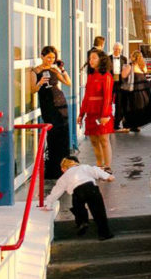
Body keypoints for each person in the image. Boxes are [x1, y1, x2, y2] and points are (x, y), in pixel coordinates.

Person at [44, 155, 115, 240]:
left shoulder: (64, 177)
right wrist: (109, 177)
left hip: (77, 191)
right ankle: (104, 234)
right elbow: (105, 175)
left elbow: (56, 192)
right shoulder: (85, 167)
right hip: (91, 188)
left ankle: (82, 222)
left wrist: (48, 204)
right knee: (98, 211)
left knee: (77, 207)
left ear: (63, 168)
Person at [33, 46, 72, 179]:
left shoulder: (54, 69)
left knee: (63, 134)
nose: (51, 60)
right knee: (52, 135)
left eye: (53, 58)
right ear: (42, 56)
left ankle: (65, 168)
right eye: (48, 57)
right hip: (47, 105)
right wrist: (39, 83)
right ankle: (52, 170)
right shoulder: (36, 70)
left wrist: (61, 69)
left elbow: (68, 82)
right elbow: (32, 90)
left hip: (60, 101)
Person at [77, 49, 113, 171]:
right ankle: (99, 165)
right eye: (90, 58)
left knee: (104, 140)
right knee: (93, 140)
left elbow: (108, 97)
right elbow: (86, 96)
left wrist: (105, 115)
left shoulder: (106, 76)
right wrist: (81, 114)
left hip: (102, 112)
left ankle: (107, 166)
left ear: (101, 60)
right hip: (90, 112)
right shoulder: (91, 76)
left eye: (94, 58)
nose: (90, 61)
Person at [122, 51, 151, 132]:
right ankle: (137, 125)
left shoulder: (131, 65)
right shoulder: (143, 66)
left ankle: (131, 124)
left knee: (131, 106)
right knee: (142, 105)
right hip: (144, 88)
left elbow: (123, 75)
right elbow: (145, 72)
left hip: (134, 88)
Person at [110, 42, 127, 131]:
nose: (117, 51)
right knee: (108, 102)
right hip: (110, 83)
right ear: (113, 49)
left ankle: (116, 124)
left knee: (119, 103)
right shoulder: (108, 58)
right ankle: (108, 123)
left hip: (120, 83)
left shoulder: (124, 59)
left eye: (119, 49)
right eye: (116, 49)